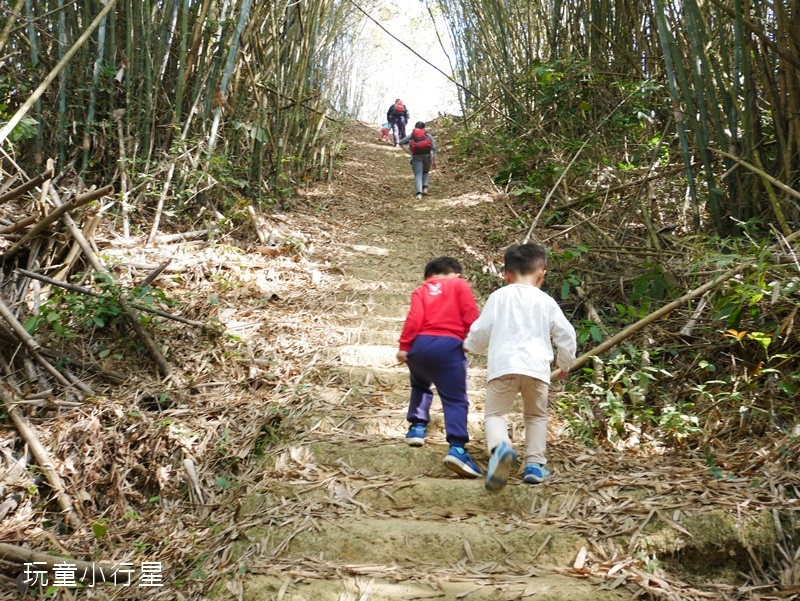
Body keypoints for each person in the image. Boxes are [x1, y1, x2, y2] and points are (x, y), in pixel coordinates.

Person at [463, 243, 576, 491]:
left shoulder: (499, 297)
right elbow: (566, 334)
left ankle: (501, 447)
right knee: (536, 416)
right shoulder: (546, 301)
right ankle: (535, 465)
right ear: (542, 274)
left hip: (503, 367)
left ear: (506, 275)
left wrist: (470, 346)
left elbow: (482, 329)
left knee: (495, 415)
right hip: (536, 369)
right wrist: (565, 363)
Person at [397, 257, 482, 479]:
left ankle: (416, 428)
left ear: (429, 276)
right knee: (454, 398)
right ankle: (457, 448)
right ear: (456, 273)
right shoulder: (459, 284)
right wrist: (471, 341)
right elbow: (470, 314)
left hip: (420, 346)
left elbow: (414, 318)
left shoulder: (421, 290)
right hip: (449, 346)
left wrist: (404, 346)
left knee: (420, 385)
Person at [399, 121, 436, 200]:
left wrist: (408, 151)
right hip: (427, 156)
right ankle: (425, 188)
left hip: (416, 157)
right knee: (425, 172)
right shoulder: (428, 135)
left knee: (418, 174)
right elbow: (434, 148)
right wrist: (434, 161)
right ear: (424, 128)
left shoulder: (412, 135)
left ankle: (419, 193)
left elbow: (401, 142)